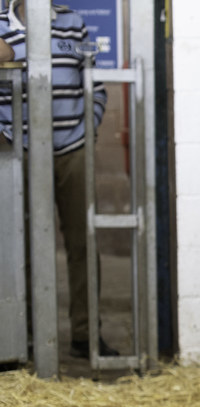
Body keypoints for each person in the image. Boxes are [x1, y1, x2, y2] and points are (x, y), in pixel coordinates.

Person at [0, 1, 118, 358]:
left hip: (71, 148)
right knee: (19, 247)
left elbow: (92, 81)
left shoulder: (72, 22)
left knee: (82, 242)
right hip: (16, 152)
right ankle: (25, 336)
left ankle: (85, 334)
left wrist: (90, 129)